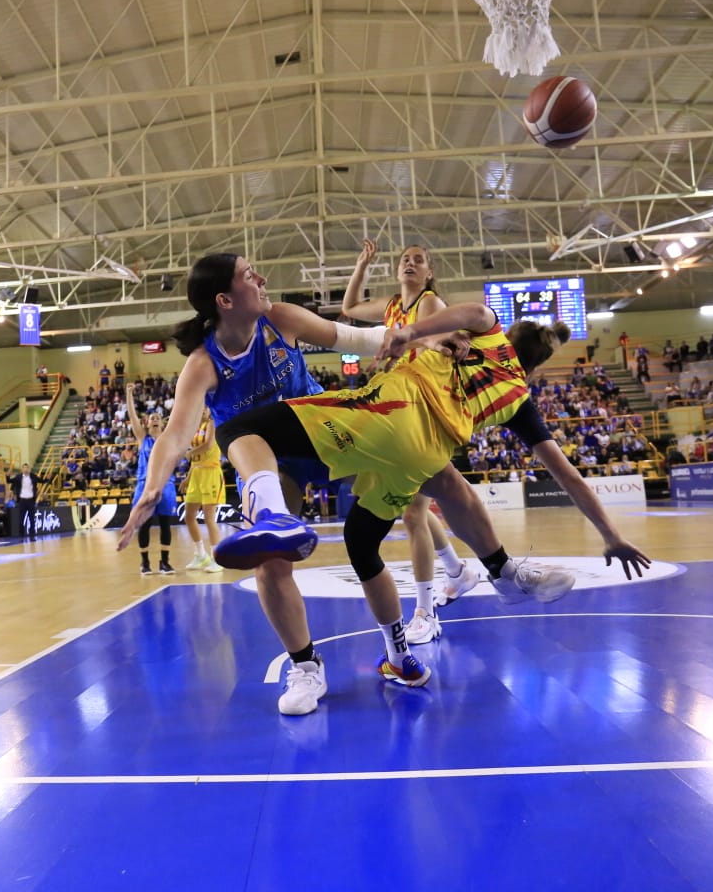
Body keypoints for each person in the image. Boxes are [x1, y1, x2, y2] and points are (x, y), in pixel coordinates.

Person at [117, 253, 579, 716]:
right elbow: (176, 433)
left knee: (432, 476)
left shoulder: (279, 319)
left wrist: (428, 339)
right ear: (225, 299)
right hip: (269, 463)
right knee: (271, 563)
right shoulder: (203, 364)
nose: (260, 276)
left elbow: (359, 337)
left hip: (325, 431)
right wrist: (153, 486)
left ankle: (488, 571)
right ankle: (306, 666)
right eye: (247, 274)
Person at [211, 304, 651, 690]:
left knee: (234, 430)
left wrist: (413, 332)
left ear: (507, 332)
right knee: (363, 540)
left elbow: (472, 315)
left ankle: (274, 515)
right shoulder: (519, 399)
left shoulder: (483, 333)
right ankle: (422, 638)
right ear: (533, 370)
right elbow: (569, 475)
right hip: (419, 461)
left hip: (384, 416)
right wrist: (610, 535)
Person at [340, 239, 477, 643]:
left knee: (414, 514)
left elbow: (437, 345)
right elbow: (348, 309)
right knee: (411, 509)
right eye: (404, 259)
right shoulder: (391, 308)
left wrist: (402, 345)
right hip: (401, 411)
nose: (410, 263)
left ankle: (425, 612)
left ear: (429, 272)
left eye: (418, 260)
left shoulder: (431, 304)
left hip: (427, 410)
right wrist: (361, 264)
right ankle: (456, 570)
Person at [126, 383, 176, 575]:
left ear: (163, 424)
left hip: (166, 486)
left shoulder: (169, 439)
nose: (154, 420)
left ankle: (165, 562)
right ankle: (144, 562)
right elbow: (132, 416)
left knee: (165, 524)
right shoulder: (142, 439)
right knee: (144, 524)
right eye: (152, 418)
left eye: (157, 418)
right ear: (147, 423)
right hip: (144, 486)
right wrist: (129, 393)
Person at [180, 408, 225, 573]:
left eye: (205, 408)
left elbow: (208, 445)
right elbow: (195, 459)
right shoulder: (194, 428)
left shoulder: (212, 423)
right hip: (197, 473)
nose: (202, 410)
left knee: (209, 519)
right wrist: (188, 477)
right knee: (189, 517)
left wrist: (189, 452)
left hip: (211, 472)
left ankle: (217, 559)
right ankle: (201, 555)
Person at [8, 464, 39, 541]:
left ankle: (32, 536)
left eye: (27, 468)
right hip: (22, 500)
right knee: (21, 519)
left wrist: (49, 479)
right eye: (24, 468)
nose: (26, 469)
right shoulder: (18, 477)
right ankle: (21, 536)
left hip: (31, 500)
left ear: (29, 469)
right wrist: (7, 476)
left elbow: (40, 483)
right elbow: (9, 482)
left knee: (32, 519)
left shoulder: (33, 477)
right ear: (22, 469)